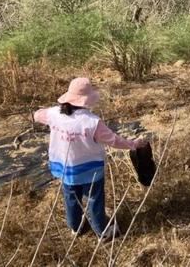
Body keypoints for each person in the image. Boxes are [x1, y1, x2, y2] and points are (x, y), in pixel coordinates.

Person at [33, 77, 145, 238]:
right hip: (90, 171)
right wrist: (133, 144)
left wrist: (41, 111)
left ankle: (76, 227)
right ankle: (102, 231)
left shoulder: (53, 114)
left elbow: (37, 115)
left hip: (65, 169)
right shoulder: (92, 122)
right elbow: (114, 140)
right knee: (94, 199)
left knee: (71, 197)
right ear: (87, 100)